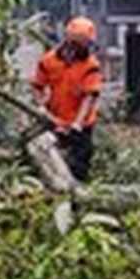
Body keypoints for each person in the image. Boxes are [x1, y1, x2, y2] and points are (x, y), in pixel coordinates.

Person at [32, 16, 103, 182]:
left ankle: (79, 195)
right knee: (50, 162)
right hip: (54, 119)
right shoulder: (48, 61)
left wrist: (77, 124)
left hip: (81, 124)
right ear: (71, 42)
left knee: (80, 164)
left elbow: (89, 97)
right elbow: (37, 85)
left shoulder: (91, 65)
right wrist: (41, 105)